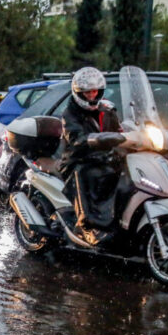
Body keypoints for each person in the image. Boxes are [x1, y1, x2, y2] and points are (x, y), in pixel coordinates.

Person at [59, 66, 122, 244]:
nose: (92, 96)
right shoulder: (70, 113)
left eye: (95, 91)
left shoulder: (108, 110)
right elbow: (76, 139)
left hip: (102, 157)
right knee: (84, 174)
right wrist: (95, 139)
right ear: (78, 92)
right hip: (77, 159)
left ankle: (116, 219)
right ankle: (86, 225)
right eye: (87, 93)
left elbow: (119, 129)